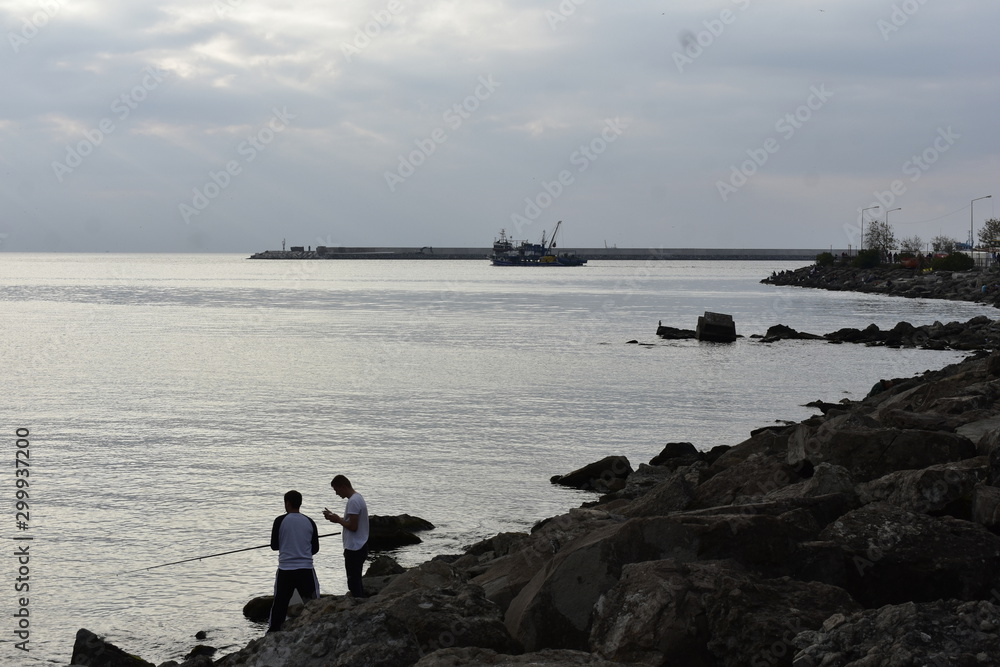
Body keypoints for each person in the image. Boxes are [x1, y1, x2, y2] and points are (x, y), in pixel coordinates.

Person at [267, 490, 320, 632]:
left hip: (285, 570)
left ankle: (273, 633)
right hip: (306, 570)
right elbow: (315, 549)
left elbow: (274, 546)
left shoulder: (279, 521)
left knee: (280, 604)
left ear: (288, 503)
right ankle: (317, 629)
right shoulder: (310, 522)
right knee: (314, 604)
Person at [323, 475, 369, 598]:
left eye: (336, 490)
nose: (337, 494)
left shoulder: (353, 501)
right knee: (356, 579)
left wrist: (338, 520)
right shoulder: (357, 498)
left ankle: (358, 604)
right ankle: (360, 602)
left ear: (343, 487)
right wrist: (336, 518)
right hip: (360, 545)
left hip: (355, 547)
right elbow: (351, 522)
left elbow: (353, 526)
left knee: (353, 581)